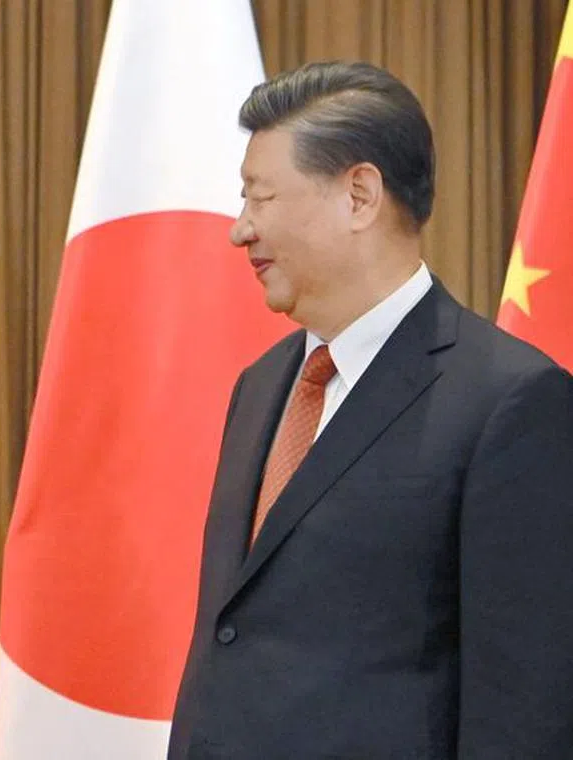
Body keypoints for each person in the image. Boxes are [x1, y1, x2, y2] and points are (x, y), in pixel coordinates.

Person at [167, 61, 573, 759]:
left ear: (359, 195)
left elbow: (523, 703)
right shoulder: (261, 386)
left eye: (260, 198)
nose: (240, 230)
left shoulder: (509, 400)